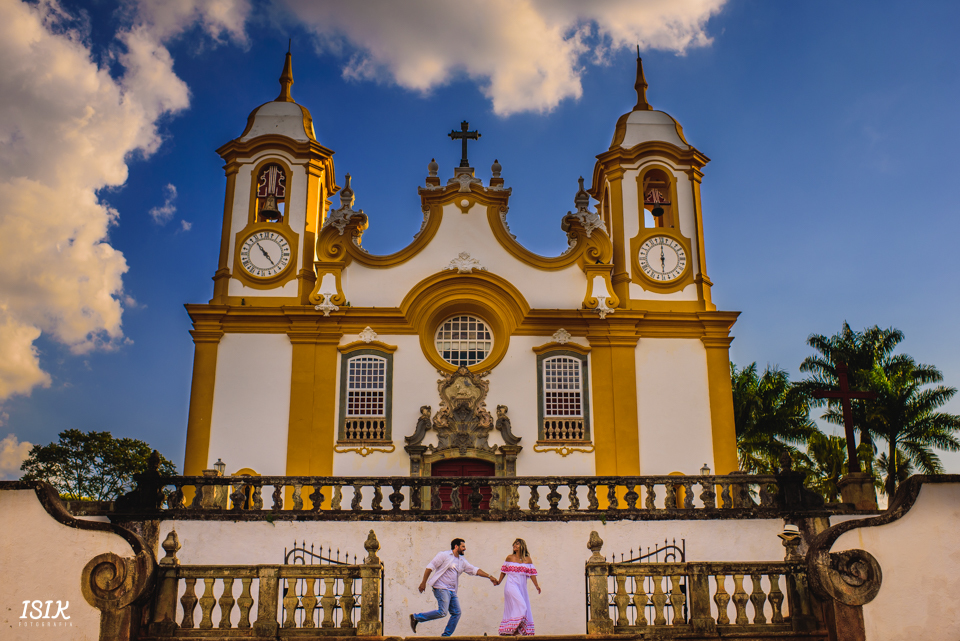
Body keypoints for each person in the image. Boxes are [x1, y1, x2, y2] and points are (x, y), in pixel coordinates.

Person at [410, 538, 498, 636]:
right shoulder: (443, 555)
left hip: (452, 591)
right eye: (463, 546)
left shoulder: (462, 561)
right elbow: (430, 567)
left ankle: (446, 636)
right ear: (456, 546)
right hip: (441, 587)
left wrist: (489, 576)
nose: (465, 549)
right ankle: (416, 617)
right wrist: (423, 583)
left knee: (457, 613)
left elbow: (474, 570)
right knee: (442, 612)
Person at [496, 538, 540, 636]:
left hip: (522, 588)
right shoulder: (509, 558)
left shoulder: (527, 559)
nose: (514, 546)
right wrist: (499, 581)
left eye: (517, 544)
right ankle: (513, 630)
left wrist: (536, 586)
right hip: (511, 586)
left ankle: (513, 631)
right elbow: (504, 571)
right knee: (522, 606)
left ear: (522, 546)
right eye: (514, 544)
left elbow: (532, 573)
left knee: (520, 607)